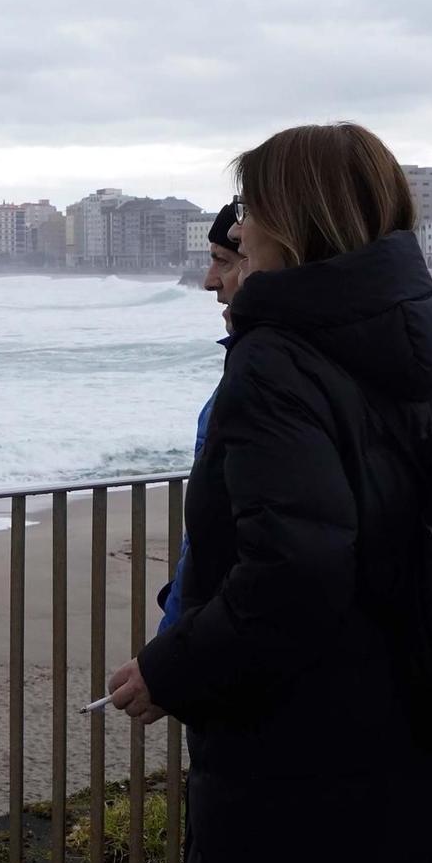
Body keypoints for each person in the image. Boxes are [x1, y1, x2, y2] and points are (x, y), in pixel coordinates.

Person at [108, 124, 432, 863]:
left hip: (307, 756)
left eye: (248, 211)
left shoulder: (276, 359)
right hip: (418, 727)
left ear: (292, 220)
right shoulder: (415, 342)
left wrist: (174, 667)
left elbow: (297, 571)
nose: (235, 238)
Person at [158, 204, 247, 632]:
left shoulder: (269, 383)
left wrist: (180, 654)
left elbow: (283, 559)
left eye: (223, 260)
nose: (210, 281)